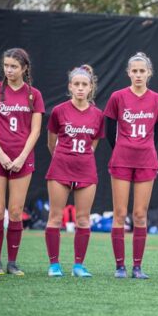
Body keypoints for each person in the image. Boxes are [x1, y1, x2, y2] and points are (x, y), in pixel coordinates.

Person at [104, 52, 158, 279]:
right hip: (121, 159)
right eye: (135, 71)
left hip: (146, 161)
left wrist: (142, 147)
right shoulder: (117, 97)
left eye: (142, 71)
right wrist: (123, 147)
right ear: (128, 73)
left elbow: (157, 131)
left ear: (149, 73)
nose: (138, 74)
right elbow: (109, 130)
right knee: (120, 213)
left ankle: (137, 267)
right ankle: (120, 266)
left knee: (140, 214)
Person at [0, 48, 44, 276]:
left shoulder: (33, 94)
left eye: (14, 66)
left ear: (24, 68)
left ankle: (12, 262)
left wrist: (20, 157)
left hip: (22, 159)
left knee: (16, 212)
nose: (9, 70)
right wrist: (1, 154)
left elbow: (36, 130)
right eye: (6, 65)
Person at [44, 65, 105, 278]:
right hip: (60, 168)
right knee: (55, 217)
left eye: (84, 85)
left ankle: (79, 265)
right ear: (70, 86)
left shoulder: (98, 115)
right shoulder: (59, 111)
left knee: (83, 219)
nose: (80, 88)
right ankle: (54, 265)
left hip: (86, 171)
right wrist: (63, 157)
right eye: (76, 84)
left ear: (90, 88)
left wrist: (82, 158)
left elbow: (94, 143)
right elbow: (51, 143)